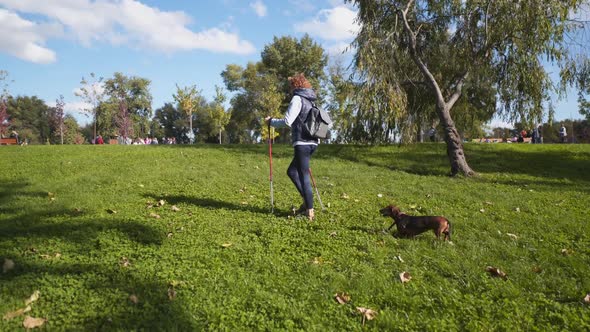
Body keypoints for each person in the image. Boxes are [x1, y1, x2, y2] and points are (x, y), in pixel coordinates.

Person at [266, 73, 318, 221]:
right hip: (313, 142)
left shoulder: (297, 98)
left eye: (291, 86)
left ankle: (309, 213)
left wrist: (271, 122)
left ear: (295, 85)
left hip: (302, 142)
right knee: (292, 171)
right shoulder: (312, 100)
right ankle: (307, 203)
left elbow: (288, 121)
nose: (290, 89)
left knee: (303, 175)